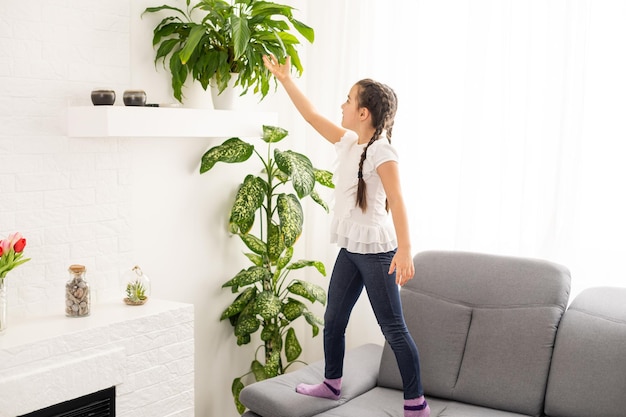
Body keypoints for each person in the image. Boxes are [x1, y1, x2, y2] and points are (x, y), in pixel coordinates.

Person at [263, 54, 430, 417]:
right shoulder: (351, 143)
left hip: (377, 252)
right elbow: (311, 116)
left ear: (363, 113)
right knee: (334, 319)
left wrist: (405, 250)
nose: (342, 105)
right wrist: (285, 78)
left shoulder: (382, 150)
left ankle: (416, 404)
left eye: (348, 100)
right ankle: (332, 383)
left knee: (393, 329)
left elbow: (398, 202)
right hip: (352, 249)